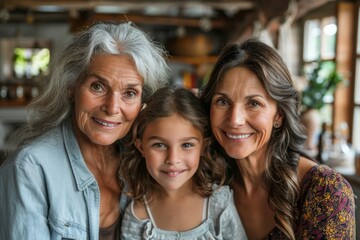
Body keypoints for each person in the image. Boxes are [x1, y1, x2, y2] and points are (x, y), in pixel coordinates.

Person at [0, 21, 169, 240]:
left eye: (129, 93)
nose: (112, 107)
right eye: (97, 86)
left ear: (143, 101)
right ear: (71, 87)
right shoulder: (30, 169)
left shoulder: (144, 158)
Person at [199, 39, 355, 239]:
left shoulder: (325, 191)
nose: (235, 120)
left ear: (279, 115)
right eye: (222, 101)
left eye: (254, 103)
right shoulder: (211, 181)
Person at [119, 87, 247, 239]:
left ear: (203, 147)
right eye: (159, 145)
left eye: (187, 145)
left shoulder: (220, 205)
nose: (173, 159)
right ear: (141, 147)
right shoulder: (137, 215)